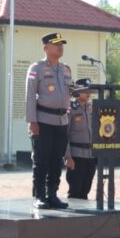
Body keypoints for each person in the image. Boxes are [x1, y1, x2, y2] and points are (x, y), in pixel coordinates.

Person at [25, 32, 73, 209]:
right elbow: (30, 95)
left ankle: (52, 195)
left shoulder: (66, 69)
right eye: (56, 44)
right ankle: (39, 196)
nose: (60, 47)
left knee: (56, 160)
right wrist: (32, 121)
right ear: (46, 48)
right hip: (43, 120)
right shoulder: (36, 68)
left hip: (62, 121)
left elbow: (69, 94)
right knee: (41, 160)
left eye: (62, 44)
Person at [65, 80, 97, 200]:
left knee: (85, 190)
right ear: (77, 92)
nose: (88, 94)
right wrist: (68, 157)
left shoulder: (91, 108)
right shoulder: (70, 109)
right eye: (85, 91)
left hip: (91, 156)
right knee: (75, 191)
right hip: (76, 156)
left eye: (89, 91)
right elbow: (65, 135)